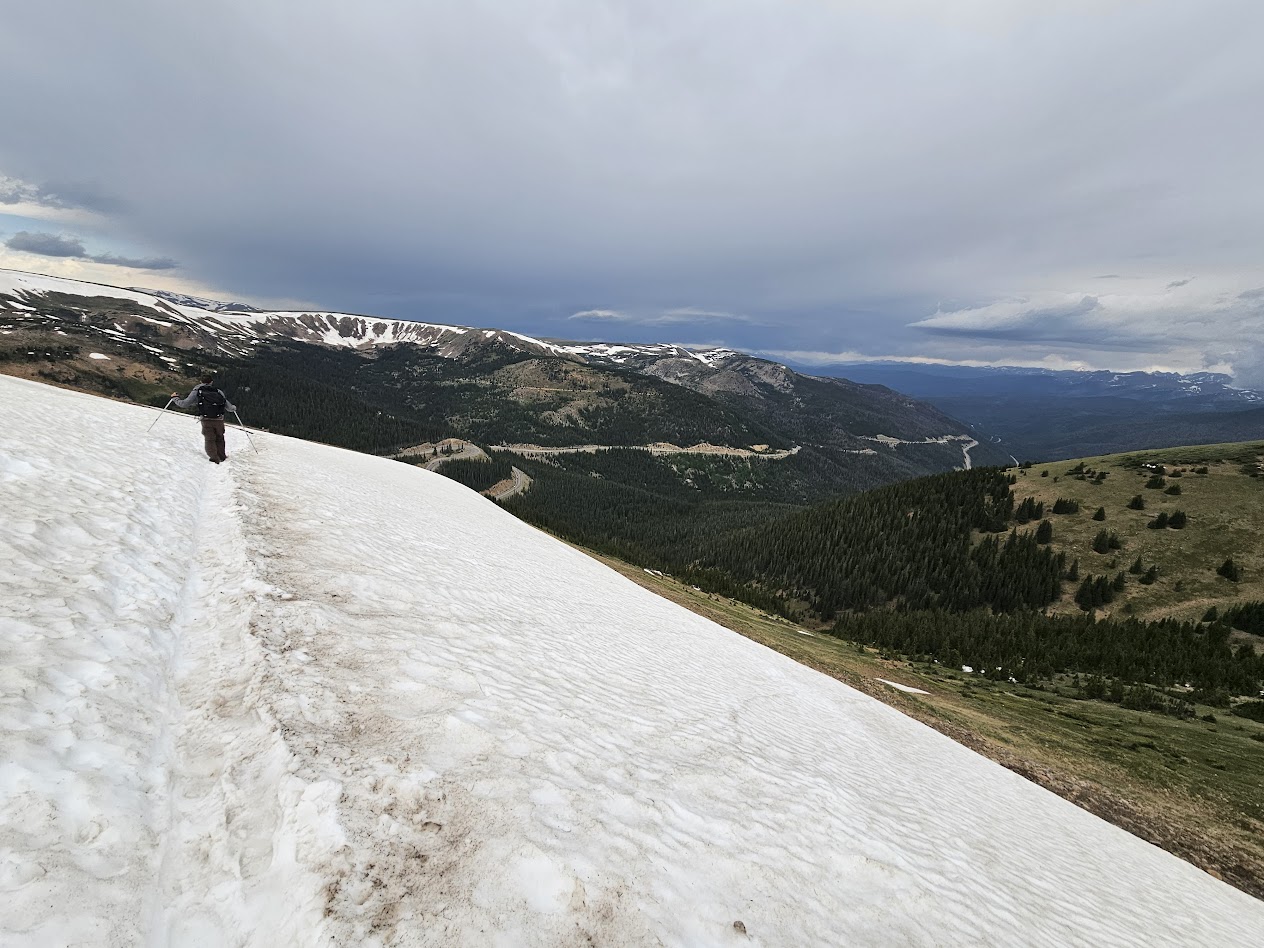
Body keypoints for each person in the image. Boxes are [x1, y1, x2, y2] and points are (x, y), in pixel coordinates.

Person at [171, 375, 236, 463]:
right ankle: (222, 456)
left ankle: (214, 458)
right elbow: (229, 407)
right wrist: (233, 408)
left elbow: (184, 404)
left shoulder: (197, 391)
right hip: (219, 419)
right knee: (220, 437)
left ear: (200, 381)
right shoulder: (218, 391)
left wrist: (175, 398)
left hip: (206, 419)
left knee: (209, 439)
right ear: (211, 382)